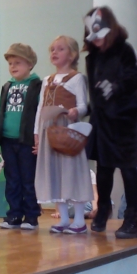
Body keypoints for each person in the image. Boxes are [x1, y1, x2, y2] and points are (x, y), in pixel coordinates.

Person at [84, 7, 137, 239]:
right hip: (103, 120)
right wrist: (86, 110)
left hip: (126, 120)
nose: (95, 40)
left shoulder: (125, 50)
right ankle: (103, 210)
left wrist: (116, 87)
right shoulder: (93, 58)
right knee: (104, 168)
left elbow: (136, 78)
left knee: (128, 169)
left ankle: (133, 218)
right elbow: (95, 93)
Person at [34, 36, 92, 234]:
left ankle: (79, 220)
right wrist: (36, 132)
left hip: (67, 129)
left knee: (71, 171)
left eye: (60, 49)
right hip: (49, 129)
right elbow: (40, 108)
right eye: (52, 49)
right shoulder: (46, 80)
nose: (54, 52)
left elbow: (83, 105)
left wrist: (76, 111)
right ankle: (64, 218)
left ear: (72, 54)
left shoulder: (77, 78)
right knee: (55, 172)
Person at [0, 43, 42, 230]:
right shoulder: (7, 87)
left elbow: (42, 115)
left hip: (27, 142)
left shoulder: (37, 86)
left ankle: (31, 216)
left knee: (28, 180)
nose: (13, 66)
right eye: (10, 63)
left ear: (30, 64)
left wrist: (41, 139)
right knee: (12, 180)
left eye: (18, 62)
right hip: (8, 142)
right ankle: (14, 215)